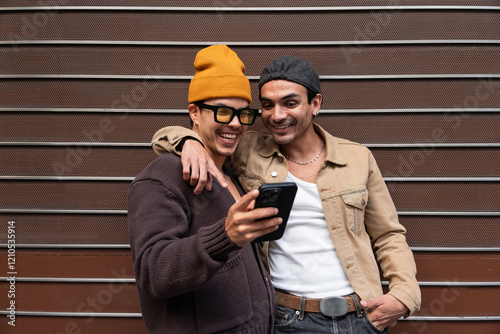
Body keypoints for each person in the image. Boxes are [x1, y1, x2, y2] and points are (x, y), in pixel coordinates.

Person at [151, 55, 421, 333]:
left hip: (361, 316)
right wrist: (189, 141)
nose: (277, 115)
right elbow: (169, 136)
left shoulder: (357, 158)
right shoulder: (248, 150)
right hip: (284, 319)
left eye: (290, 103)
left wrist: (404, 293)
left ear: (315, 103)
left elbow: (388, 234)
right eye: (267, 106)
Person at [127, 45, 280, 334]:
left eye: (243, 114)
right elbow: (153, 271)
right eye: (222, 112)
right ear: (194, 113)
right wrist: (225, 237)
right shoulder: (160, 179)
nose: (235, 124)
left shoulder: (232, 173)